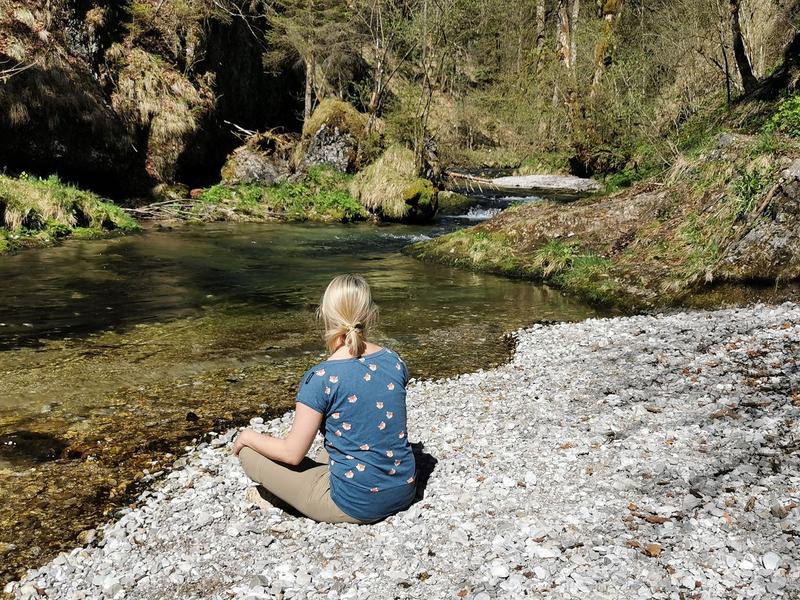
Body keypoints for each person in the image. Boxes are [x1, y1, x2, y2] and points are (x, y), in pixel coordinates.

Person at [233, 274, 417, 524]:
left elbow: (292, 454)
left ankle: (282, 498)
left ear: (325, 315)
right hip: (404, 490)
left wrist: (247, 436)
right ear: (370, 314)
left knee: (249, 454)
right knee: (326, 452)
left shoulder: (321, 377)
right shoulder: (394, 361)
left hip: (355, 504)